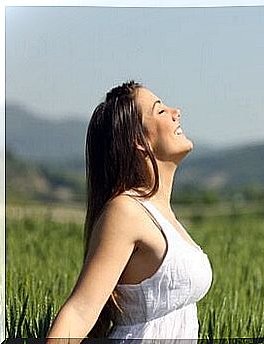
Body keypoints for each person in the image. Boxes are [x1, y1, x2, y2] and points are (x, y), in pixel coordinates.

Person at [46, 80, 213, 341]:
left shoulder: (162, 214)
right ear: (138, 139)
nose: (175, 111)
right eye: (160, 110)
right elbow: (80, 311)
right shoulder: (125, 211)